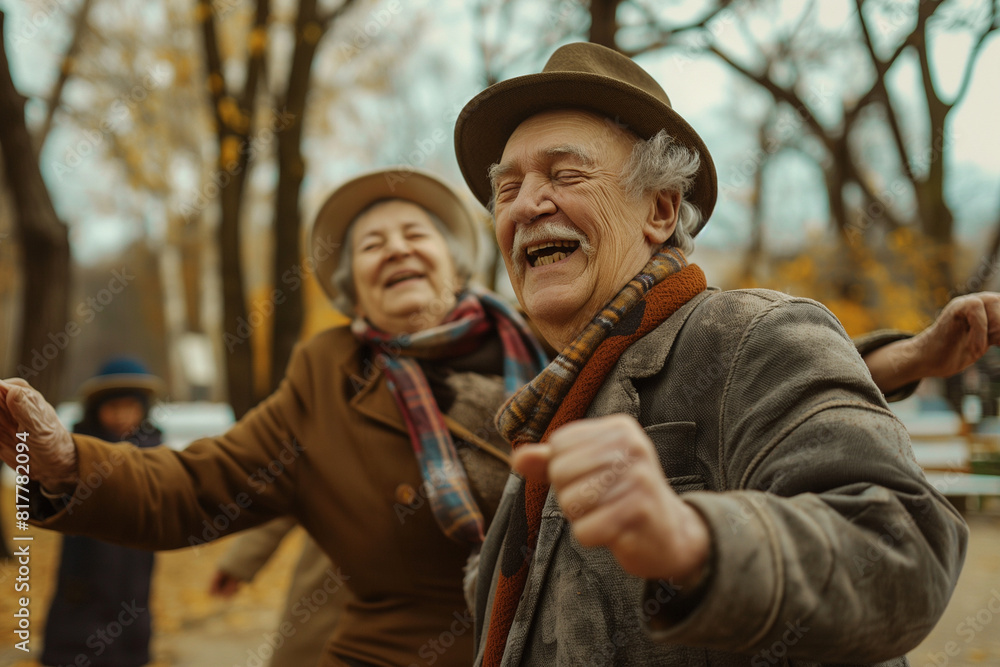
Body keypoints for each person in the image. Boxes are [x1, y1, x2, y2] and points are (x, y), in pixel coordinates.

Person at [451, 42, 975, 665]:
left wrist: (692, 538)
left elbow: (902, 549)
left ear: (661, 209)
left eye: (566, 175)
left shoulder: (753, 334)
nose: (526, 205)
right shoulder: (551, 405)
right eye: (506, 188)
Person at [0, 167, 547, 667]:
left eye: (415, 234)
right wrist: (66, 461)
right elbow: (192, 487)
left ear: (456, 262)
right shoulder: (324, 379)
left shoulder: (552, 339)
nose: (396, 250)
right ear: (352, 292)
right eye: (372, 245)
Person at [40, 358, 164, 667]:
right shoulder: (77, 453)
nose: (122, 416)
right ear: (97, 409)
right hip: (85, 565)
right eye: (114, 407)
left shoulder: (154, 452)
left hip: (134, 566)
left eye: (130, 407)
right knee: (80, 630)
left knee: (129, 622)